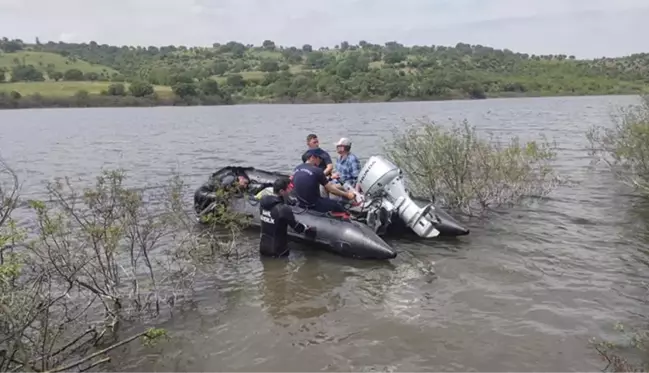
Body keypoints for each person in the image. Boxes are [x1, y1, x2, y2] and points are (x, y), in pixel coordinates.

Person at [259, 177, 315, 257]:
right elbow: (297, 228)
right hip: (278, 251)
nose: (290, 191)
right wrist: (306, 227)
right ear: (281, 191)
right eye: (288, 189)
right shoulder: (283, 209)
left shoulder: (263, 203)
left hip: (263, 248)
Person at [292, 148, 356, 213]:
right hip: (313, 204)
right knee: (337, 206)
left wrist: (331, 178)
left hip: (301, 203)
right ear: (312, 157)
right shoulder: (317, 170)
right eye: (319, 159)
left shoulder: (297, 168)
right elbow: (331, 189)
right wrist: (347, 195)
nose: (320, 161)